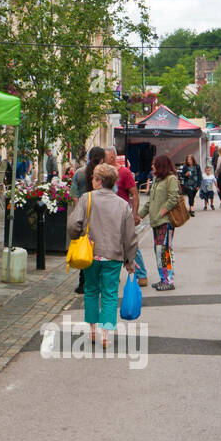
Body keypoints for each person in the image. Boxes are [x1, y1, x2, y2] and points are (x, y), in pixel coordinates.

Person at [67, 162, 137, 349]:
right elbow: (130, 235)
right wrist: (130, 260)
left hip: (91, 254)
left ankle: (92, 330)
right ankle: (105, 334)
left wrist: (77, 236)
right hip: (113, 255)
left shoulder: (86, 198)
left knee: (91, 290)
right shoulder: (123, 205)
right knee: (110, 293)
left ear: (98, 181)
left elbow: (74, 225)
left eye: (93, 178)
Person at [105, 147, 148, 288]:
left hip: (123, 215)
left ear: (112, 157)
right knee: (111, 247)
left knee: (130, 245)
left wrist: (135, 213)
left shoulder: (124, 172)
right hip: (108, 217)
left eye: (105, 157)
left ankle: (141, 274)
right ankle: (113, 276)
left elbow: (134, 194)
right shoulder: (104, 173)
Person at [139, 153, 180, 291]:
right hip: (156, 221)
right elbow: (150, 202)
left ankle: (169, 280)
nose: (152, 167)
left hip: (166, 221)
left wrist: (163, 211)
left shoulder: (171, 179)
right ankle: (163, 278)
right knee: (158, 251)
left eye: (154, 164)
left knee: (164, 251)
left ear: (161, 165)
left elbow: (173, 198)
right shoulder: (156, 180)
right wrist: (139, 216)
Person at [69, 147, 105, 295]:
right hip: (100, 215)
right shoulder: (105, 174)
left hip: (85, 215)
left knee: (85, 247)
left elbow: (74, 194)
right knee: (99, 249)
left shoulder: (79, 173)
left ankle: (83, 282)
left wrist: (79, 210)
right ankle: (98, 280)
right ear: (102, 159)